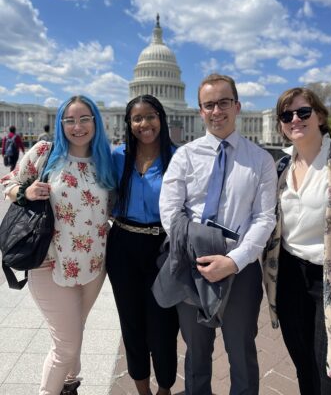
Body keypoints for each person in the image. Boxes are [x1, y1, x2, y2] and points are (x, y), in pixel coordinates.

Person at [158, 73, 277, 395]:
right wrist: (196, 252)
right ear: (200, 111)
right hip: (192, 266)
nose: (216, 111)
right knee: (196, 353)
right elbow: (170, 211)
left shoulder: (260, 159)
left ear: (237, 106)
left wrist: (234, 260)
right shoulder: (185, 156)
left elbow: (265, 218)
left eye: (224, 102)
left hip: (240, 268)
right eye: (209, 105)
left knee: (241, 351)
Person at [0, 95, 115, 395]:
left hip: (92, 266)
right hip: (48, 263)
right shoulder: (44, 152)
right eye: (70, 120)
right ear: (61, 123)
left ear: (95, 122)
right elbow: (7, 184)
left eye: (84, 119)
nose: (78, 126)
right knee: (66, 345)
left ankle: (69, 386)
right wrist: (24, 192)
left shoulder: (106, 160)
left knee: (74, 331)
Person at [263, 87, 331, 395]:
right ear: (280, 124)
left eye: (303, 112)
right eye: (286, 115)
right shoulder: (282, 166)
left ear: (319, 115)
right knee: (304, 365)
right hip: (291, 276)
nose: (295, 119)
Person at [106, 95, 179, 395]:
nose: (144, 124)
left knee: (163, 325)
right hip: (123, 243)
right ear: (129, 123)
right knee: (131, 323)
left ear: (161, 118)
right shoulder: (116, 156)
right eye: (137, 118)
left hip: (163, 247)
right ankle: (142, 390)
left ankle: (164, 388)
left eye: (150, 116)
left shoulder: (177, 157)